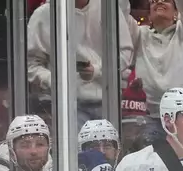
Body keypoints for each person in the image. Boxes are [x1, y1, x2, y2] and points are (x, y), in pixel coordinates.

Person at [27, 0, 133, 129]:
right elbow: (31, 64)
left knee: (108, 148)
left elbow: (125, 52)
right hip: (66, 103)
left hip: (109, 101)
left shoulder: (108, 8)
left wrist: (97, 70)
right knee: (75, 148)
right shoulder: (44, 15)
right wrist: (54, 80)